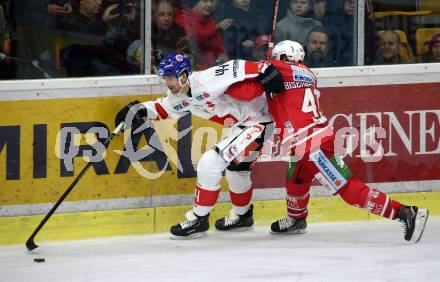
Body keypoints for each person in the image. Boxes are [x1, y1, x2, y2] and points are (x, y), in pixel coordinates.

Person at [239, 40, 429, 243]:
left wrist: (267, 63)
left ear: (284, 58)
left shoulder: (280, 68)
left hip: (311, 143)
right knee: (296, 176)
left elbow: (250, 70)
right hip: (305, 140)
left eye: (277, 58)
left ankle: (406, 213)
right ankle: (296, 219)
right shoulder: (306, 73)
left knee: (346, 188)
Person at [114, 52, 274, 239]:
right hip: (244, 125)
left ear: (183, 75)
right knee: (237, 169)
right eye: (165, 78)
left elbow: (243, 66)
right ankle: (242, 216)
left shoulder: (208, 79)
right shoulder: (178, 96)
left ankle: (199, 219)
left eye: (171, 78)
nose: (167, 83)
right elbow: (162, 108)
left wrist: (269, 72)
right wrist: (138, 110)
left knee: (210, 163)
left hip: (260, 122)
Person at [175, 0, 228, 70]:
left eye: (211, 2)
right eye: (205, 1)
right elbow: (192, 42)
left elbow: (220, 47)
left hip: (212, 70)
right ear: (194, 3)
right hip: (191, 69)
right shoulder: (183, 18)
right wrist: (215, 28)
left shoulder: (211, 21)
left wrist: (223, 56)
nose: (210, 5)